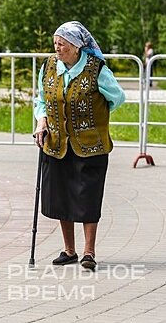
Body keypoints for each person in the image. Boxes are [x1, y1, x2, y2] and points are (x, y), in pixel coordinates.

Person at [33, 21, 126, 270]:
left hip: (90, 145)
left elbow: (117, 97)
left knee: (88, 198)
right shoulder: (49, 67)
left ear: (76, 47)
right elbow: (41, 99)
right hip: (57, 143)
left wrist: (95, 118)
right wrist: (41, 122)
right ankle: (69, 250)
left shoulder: (96, 69)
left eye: (62, 44)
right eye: (55, 43)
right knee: (61, 196)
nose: (57, 48)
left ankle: (89, 252)